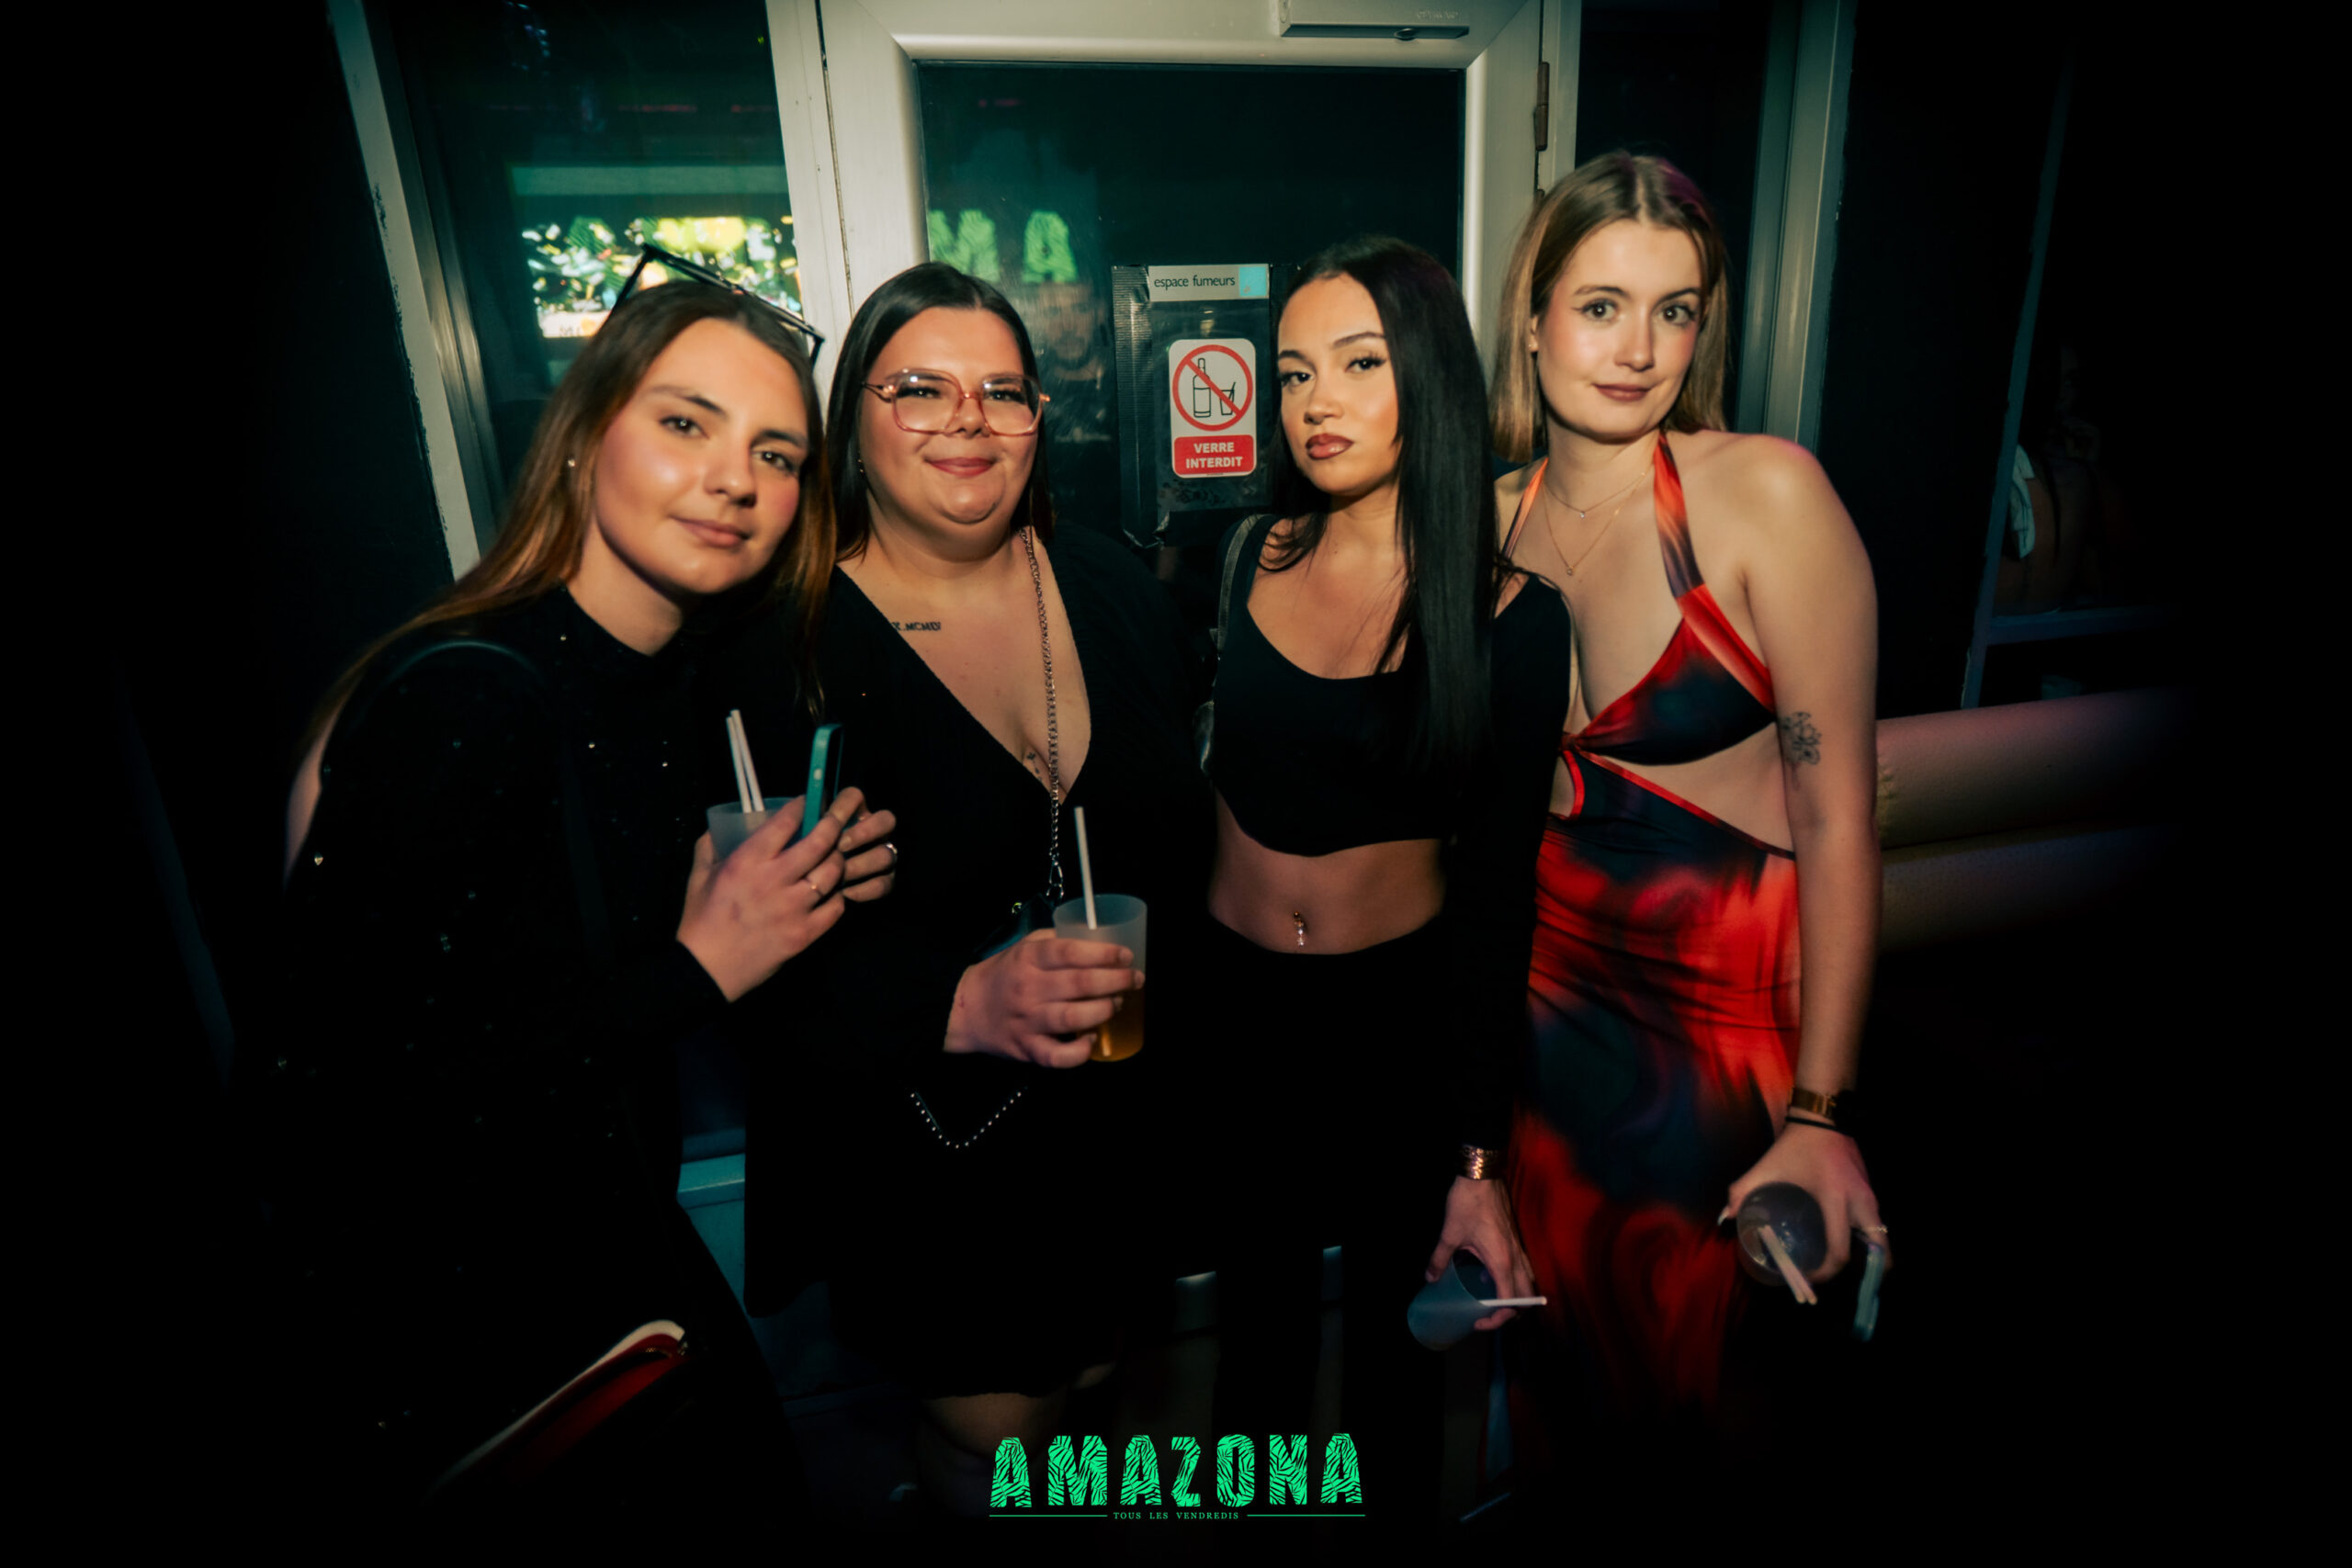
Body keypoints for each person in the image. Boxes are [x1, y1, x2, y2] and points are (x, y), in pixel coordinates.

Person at [250, 277, 899, 1527]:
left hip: (618, 1275)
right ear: (587, 432)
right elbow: (318, 1105)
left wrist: (784, 898)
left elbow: (552, 975)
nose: (735, 479)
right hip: (492, 1346)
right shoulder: (471, 698)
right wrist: (699, 967)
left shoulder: (658, 687)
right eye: (686, 422)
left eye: (777, 453)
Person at [709, 262, 1212, 1519]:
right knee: (993, 1437)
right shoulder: (784, 643)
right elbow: (738, 963)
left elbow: (1173, 839)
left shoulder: (1109, 585)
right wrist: (958, 1001)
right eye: (922, 389)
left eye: (1003, 391)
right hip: (932, 1137)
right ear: (855, 422)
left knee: (1090, 1380)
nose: (968, 421)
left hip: (1112, 1116)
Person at [1487, 152, 1888, 1483]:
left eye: (1676, 311)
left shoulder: (1765, 495)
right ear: (1532, 317)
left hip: (1723, 1055)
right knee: (1564, 1409)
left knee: (1713, 1430)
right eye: (1602, 306)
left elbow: (1840, 824)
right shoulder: (1487, 524)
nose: (1639, 348)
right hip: (1548, 1051)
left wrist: (1822, 1111)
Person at [1199, 236, 1572, 1519]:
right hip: (1239, 1015)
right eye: (1295, 371)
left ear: (1429, 377)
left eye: (1359, 364)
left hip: (1395, 1027)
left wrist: (1479, 1153)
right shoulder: (1248, 556)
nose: (1319, 401)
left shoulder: (1512, 617)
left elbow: (1498, 899)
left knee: (1392, 1380)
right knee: (1251, 1359)